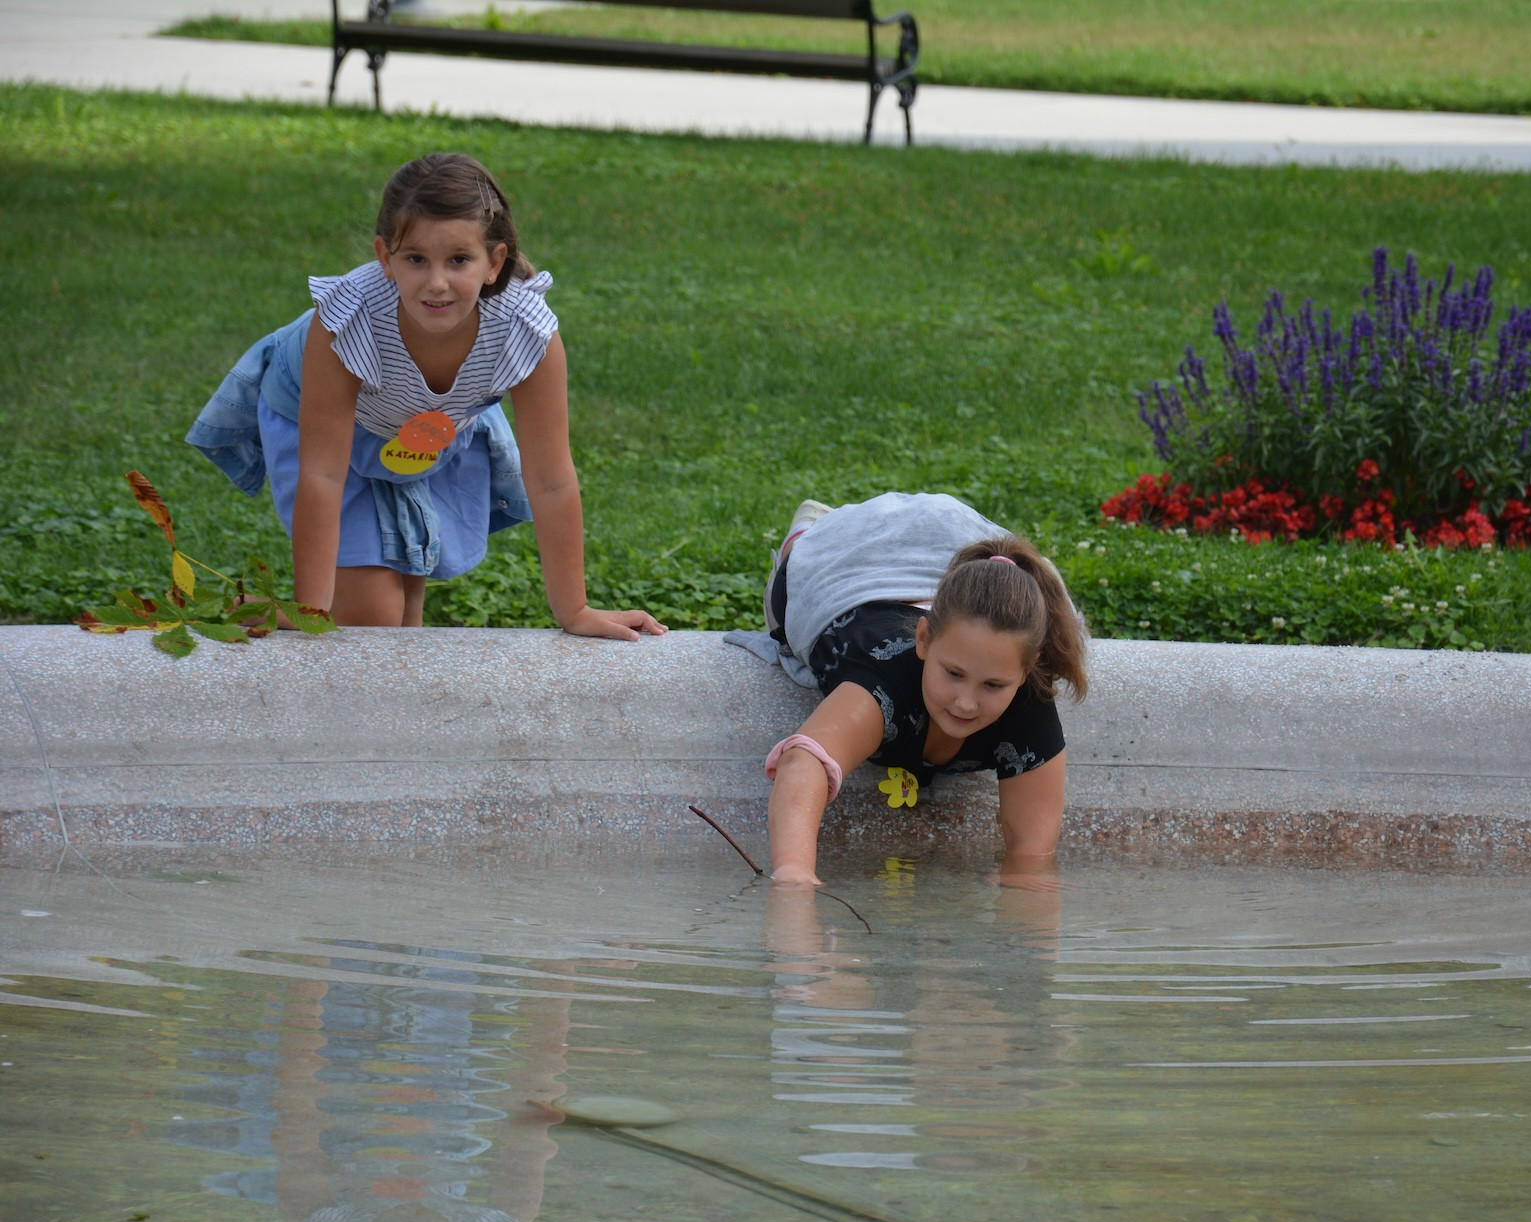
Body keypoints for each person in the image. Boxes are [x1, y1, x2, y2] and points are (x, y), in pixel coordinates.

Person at [186, 152, 664, 639]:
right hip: (327, 418)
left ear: (494, 262)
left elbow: (551, 479)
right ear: (385, 258)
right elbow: (324, 473)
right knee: (369, 617)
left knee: (401, 622)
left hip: (427, 425)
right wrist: (314, 611)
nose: (437, 284)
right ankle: (272, 609)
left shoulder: (523, 329)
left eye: (459, 260)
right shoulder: (349, 321)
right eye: (416, 259)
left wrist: (575, 610)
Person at [743, 492, 1088, 888]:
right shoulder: (883, 682)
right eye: (953, 673)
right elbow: (803, 761)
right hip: (840, 562)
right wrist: (794, 874)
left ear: (1026, 670)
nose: (965, 701)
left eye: (993, 684)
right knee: (793, 576)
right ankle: (809, 530)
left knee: (1041, 599)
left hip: (946, 540)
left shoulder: (1029, 701)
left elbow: (1032, 860)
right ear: (923, 640)